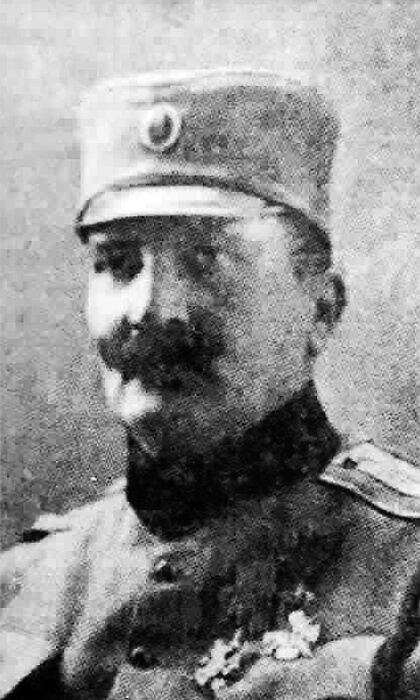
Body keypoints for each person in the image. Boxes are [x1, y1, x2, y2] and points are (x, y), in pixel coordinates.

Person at [0, 68, 419, 700]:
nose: (149, 309)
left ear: (321, 308)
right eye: (118, 263)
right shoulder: (27, 580)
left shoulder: (408, 572)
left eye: (205, 259)